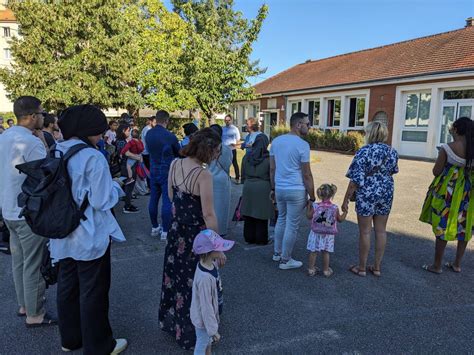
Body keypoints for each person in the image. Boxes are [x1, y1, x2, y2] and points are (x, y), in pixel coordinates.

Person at [51, 104, 127, 354]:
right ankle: (99, 345)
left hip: (61, 231)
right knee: (93, 291)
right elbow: (102, 200)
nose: (101, 136)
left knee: (67, 286)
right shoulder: (92, 156)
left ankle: (70, 339)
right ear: (88, 130)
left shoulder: (55, 150)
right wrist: (116, 185)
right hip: (89, 233)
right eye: (99, 131)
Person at [159, 128, 224, 350]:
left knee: (176, 278)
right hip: (196, 236)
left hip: (177, 232)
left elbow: (170, 196)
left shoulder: (175, 164)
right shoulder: (204, 174)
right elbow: (208, 214)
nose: (217, 154)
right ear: (208, 150)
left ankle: (173, 323)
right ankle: (195, 333)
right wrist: (216, 246)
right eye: (216, 150)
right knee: (196, 284)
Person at [0, 96, 55, 326]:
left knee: (19, 261)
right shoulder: (31, 142)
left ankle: (24, 304)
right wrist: (43, 143)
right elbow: (45, 174)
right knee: (33, 263)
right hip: (29, 211)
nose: (43, 117)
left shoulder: (5, 137)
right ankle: (35, 313)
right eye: (41, 113)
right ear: (32, 116)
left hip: (9, 208)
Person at [342, 121, 399, 277]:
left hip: (367, 193)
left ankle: (361, 268)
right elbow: (393, 171)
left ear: (370, 134)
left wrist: (345, 199)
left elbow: (355, 179)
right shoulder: (392, 152)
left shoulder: (363, 152)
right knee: (381, 231)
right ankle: (377, 267)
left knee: (365, 232)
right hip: (386, 192)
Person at [420, 117, 473, 274]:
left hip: (448, 192)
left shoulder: (448, 148)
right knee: (464, 226)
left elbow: (436, 171)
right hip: (468, 193)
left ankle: (437, 266)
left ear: (456, 129)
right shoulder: (472, 148)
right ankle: (457, 264)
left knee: (443, 224)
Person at [270, 112, 315, 270]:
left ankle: (277, 253)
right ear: (298, 125)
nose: (309, 126)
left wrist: (273, 188)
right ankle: (285, 259)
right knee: (292, 224)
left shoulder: (276, 142)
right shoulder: (303, 145)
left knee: (281, 219)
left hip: (280, 188)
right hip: (296, 189)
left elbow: (272, 168)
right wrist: (313, 196)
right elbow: (306, 174)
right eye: (307, 124)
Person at [191, 229, 234, 355]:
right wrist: (213, 330)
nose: (221, 250)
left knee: (206, 342)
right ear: (210, 252)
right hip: (204, 319)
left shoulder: (208, 264)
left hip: (206, 317)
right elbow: (206, 307)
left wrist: (219, 260)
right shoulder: (205, 279)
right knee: (202, 343)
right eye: (219, 248)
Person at [146, 110, 180, 240]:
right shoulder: (170, 136)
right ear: (166, 120)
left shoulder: (149, 133)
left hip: (153, 169)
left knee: (153, 199)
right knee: (167, 200)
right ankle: (165, 230)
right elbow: (179, 152)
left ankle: (155, 227)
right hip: (167, 171)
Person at [306, 184, 347, 277]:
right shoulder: (334, 208)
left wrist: (308, 207)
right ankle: (325, 270)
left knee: (314, 251)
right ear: (332, 195)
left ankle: (311, 269)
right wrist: (345, 212)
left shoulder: (315, 206)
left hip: (316, 232)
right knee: (326, 251)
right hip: (328, 233)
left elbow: (308, 216)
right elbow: (340, 219)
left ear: (319, 194)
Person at [241, 134, 274, 245]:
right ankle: (261, 238)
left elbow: (243, 174)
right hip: (263, 187)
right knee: (262, 215)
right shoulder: (268, 159)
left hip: (248, 186)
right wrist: (273, 188)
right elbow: (272, 174)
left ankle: (249, 237)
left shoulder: (246, 157)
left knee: (249, 213)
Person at [208, 124, 232, 236]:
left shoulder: (204, 148)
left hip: (207, 178)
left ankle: (209, 230)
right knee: (221, 207)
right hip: (221, 179)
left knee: (208, 207)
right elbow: (228, 165)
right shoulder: (226, 149)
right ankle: (220, 231)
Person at [116, 123, 141, 213]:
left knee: (129, 186)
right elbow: (127, 153)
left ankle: (128, 204)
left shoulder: (123, 140)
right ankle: (127, 206)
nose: (129, 132)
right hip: (126, 166)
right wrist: (138, 157)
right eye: (128, 130)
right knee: (128, 186)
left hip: (128, 165)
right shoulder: (121, 141)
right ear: (123, 131)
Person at [222, 114, 241, 183]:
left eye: (229, 120)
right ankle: (227, 177)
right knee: (225, 163)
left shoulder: (235, 129)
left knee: (234, 163)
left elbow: (238, 139)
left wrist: (235, 145)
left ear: (231, 120)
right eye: (226, 120)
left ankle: (237, 178)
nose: (227, 122)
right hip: (224, 149)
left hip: (232, 149)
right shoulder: (222, 129)